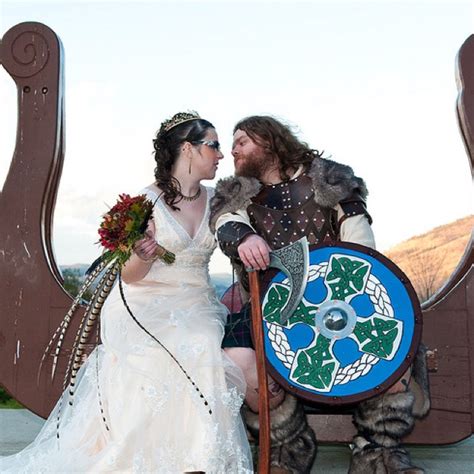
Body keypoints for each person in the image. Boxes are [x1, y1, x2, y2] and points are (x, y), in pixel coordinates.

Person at [0, 112, 253, 473]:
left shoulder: (219, 200)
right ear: (188, 148)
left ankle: (200, 459)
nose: (220, 154)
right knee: (179, 343)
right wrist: (141, 255)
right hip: (143, 301)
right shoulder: (144, 204)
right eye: (212, 145)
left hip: (197, 301)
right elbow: (131, 278)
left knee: (201, 337)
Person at [209, 115, 430, 474]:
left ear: (269, 141)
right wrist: (246, 238)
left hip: (343, 303)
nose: (233, 150)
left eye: (242, 141)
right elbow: (225, 223)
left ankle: (376, 452)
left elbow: (361, 248)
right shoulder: (237, 195)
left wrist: (358, 293)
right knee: (238, 357)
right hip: (275, 312)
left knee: (391, 348)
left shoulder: (328, 181)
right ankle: (287, 446)